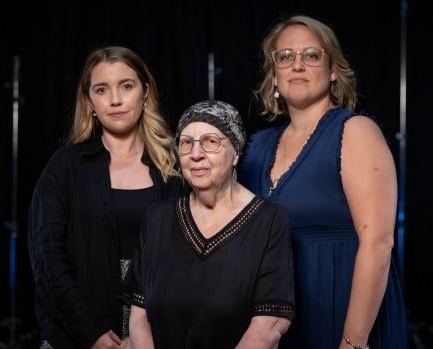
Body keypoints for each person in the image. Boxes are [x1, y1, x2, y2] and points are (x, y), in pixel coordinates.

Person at [239, 15, 407, 349]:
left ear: (332, 71)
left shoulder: (354, 131)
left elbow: (378, 243)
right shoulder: (255, 147)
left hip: (343, 314)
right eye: (285, 57)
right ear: (274, 75)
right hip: (277, 324)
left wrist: (353, 341)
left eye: (311, 55)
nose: (297, 65)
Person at [27, 46, 183, 349]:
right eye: (101, 89)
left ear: (146, 92)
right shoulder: (65, 167)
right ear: (89, 102)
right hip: (76, 332)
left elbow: (189, 260)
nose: (115, 99)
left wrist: (144, 334)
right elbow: (47, 258)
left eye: (126, 86)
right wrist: (92, 334)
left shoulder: (175, 167)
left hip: (157, 332)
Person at [124, 100, 295, 349]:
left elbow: (268, 327)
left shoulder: (269, 221)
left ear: (235, 153)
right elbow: (139, 318)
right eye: (186, 143)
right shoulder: (157, 219)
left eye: (210, 142)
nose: (196, 154)